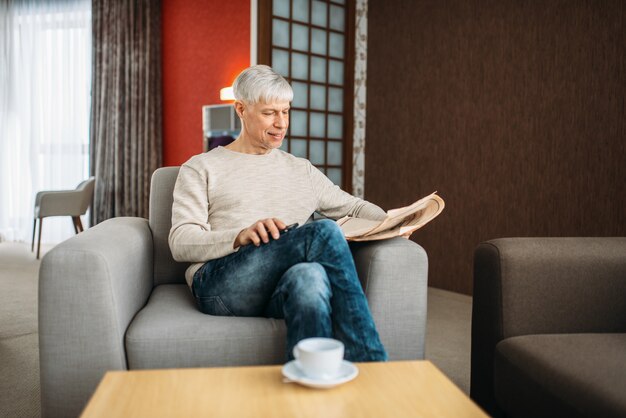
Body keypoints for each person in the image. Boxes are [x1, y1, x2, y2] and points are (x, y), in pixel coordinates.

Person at [169, 65, 388, 362]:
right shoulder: (201, 167)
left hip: (279, 287)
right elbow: (181, 241)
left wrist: (393, 223)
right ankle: (370, 361)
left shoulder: (302, 170)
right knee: (323, 232)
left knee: (309, 277)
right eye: (270, 113)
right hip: (220, 285)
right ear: (241, 109)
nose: (281, 123)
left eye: (285, 112)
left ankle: (309, 389)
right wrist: (239, 236)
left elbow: (356, 207)